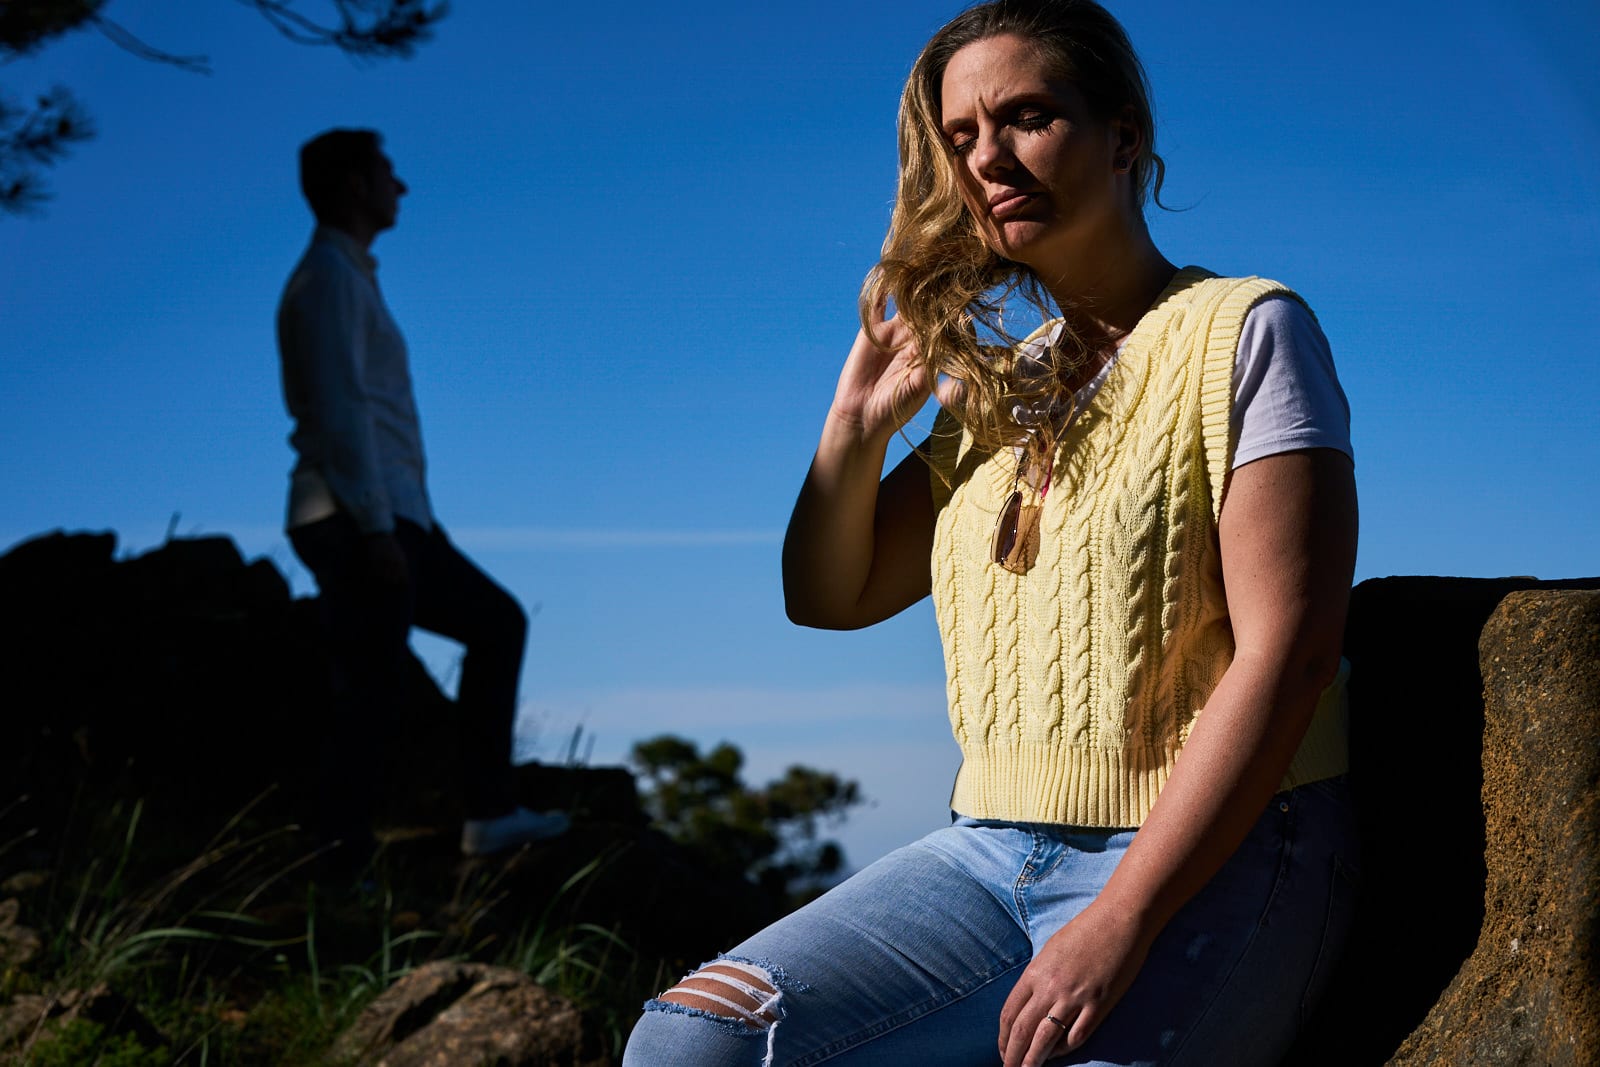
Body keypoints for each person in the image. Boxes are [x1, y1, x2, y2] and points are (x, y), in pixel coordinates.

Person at [623, 1, 1357, 1064]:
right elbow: (828, 597)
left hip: (1224, 847)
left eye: (1025, 116)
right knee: (688, 1046)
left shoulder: (1245, 330)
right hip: (984, 852)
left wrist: (1122, 916)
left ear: (1122, 136)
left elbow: (1289, 654)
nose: (988, 158)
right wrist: (852, 433)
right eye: (959, 137)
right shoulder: (1004, 390)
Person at [277, 128, 568, 868]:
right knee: (370, 690)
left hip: (389, 516)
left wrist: (411, 524)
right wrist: (378, 530)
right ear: (351, 184)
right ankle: (340, 863)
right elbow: (341, 414)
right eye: (386, 173)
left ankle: (486, 813)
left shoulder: (348, 276)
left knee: (489, 627)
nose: (400, 187)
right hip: (355, 517)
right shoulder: (325, 282)